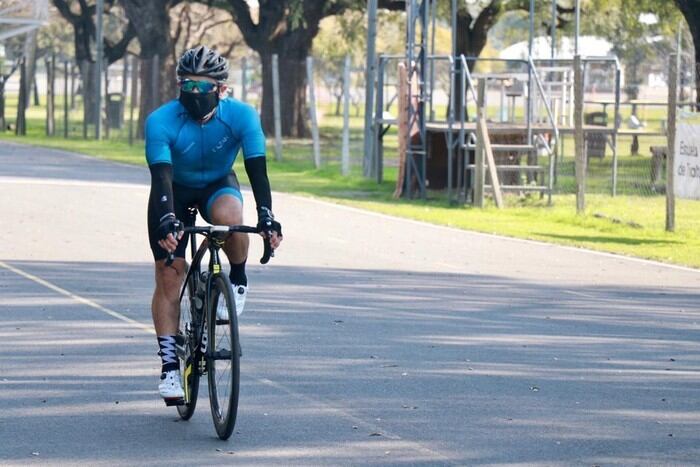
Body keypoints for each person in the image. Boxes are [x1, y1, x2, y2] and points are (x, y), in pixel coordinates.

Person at [145, 45, 283, 404]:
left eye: (202, 87)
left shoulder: (241, 116)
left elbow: (257, 168)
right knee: (170, 274)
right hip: (174, 189)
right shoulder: (161, 120)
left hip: (217, 184)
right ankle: (170, 367)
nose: (194, 94)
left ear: (221, 90)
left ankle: (236, 278)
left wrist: (266, 215)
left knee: (231, 220)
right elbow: (160, 178)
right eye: (187, 86)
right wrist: (166, 221)